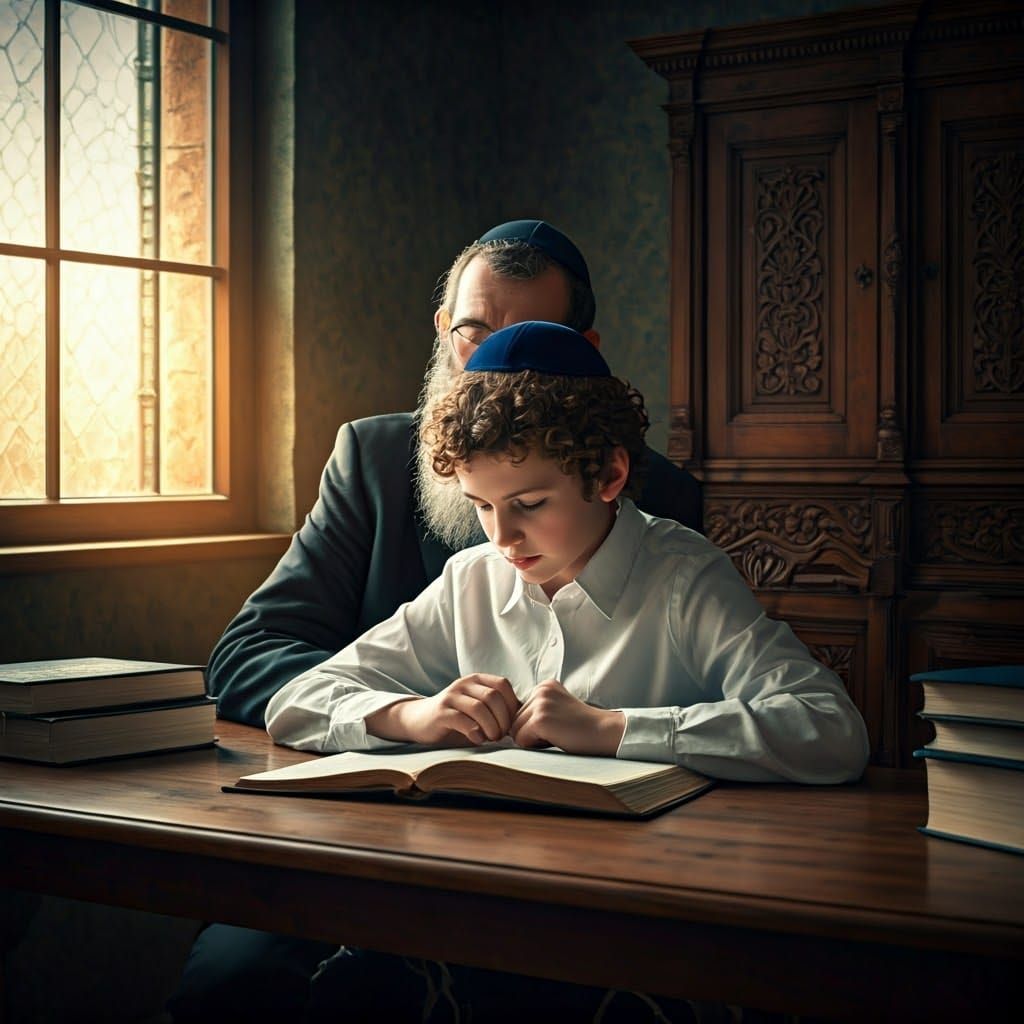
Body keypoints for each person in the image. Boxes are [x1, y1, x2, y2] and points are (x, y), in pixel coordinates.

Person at [169, 221, 703, 1023]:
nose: (490, 372)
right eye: (472, 336)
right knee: (232, 986)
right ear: (442, 336)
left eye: (528, 345)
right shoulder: (374, 461)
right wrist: (396, 716)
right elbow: (247, 655)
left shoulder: (651, 492)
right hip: (354, 835)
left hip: (566, 857)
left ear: (584, 352)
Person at [260, 320, 869, 1021]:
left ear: (608, 475)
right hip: (487, 900)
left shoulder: (683, 576)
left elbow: (830, 729)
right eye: (482, 506)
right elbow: (297, 701)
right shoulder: (472, 580)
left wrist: (613, 729)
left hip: (643, 915)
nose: (502, 536)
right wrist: (411, 715)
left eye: (530, 505)